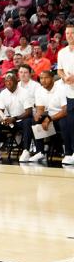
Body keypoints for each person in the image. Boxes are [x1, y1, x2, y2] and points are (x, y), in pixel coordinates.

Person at [30, 70, 69, 164]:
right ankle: (40, 152)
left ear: (52, 79)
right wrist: (38, 116)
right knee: (35, 121)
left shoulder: (61, 89)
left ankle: (68, 153)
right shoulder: (39, 90)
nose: (43, 81)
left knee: (64, 122)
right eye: (41, 78)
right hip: (50, 117)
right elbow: (40, 109)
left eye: (46, 78)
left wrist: (49, 119)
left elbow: (65, 111)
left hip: (63, 116)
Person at [0, 73, 33, 162]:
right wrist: (2, 118)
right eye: (6, 81)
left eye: (10, 81)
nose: (8, 83)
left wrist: (14, 118)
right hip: (10, 120)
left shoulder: (25, 92)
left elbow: (28, 112)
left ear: (16, 81)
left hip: (22, 119)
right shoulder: (3, 93)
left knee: (27, 121)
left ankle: (26, 151)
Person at [57, 24, 74, 166]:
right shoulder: (62, 52)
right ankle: (71, 152)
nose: (70, 35)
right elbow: (59, 70)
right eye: (68, 33)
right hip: (70, 93)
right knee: (71, 124)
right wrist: (64, 78)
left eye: (72, 33)